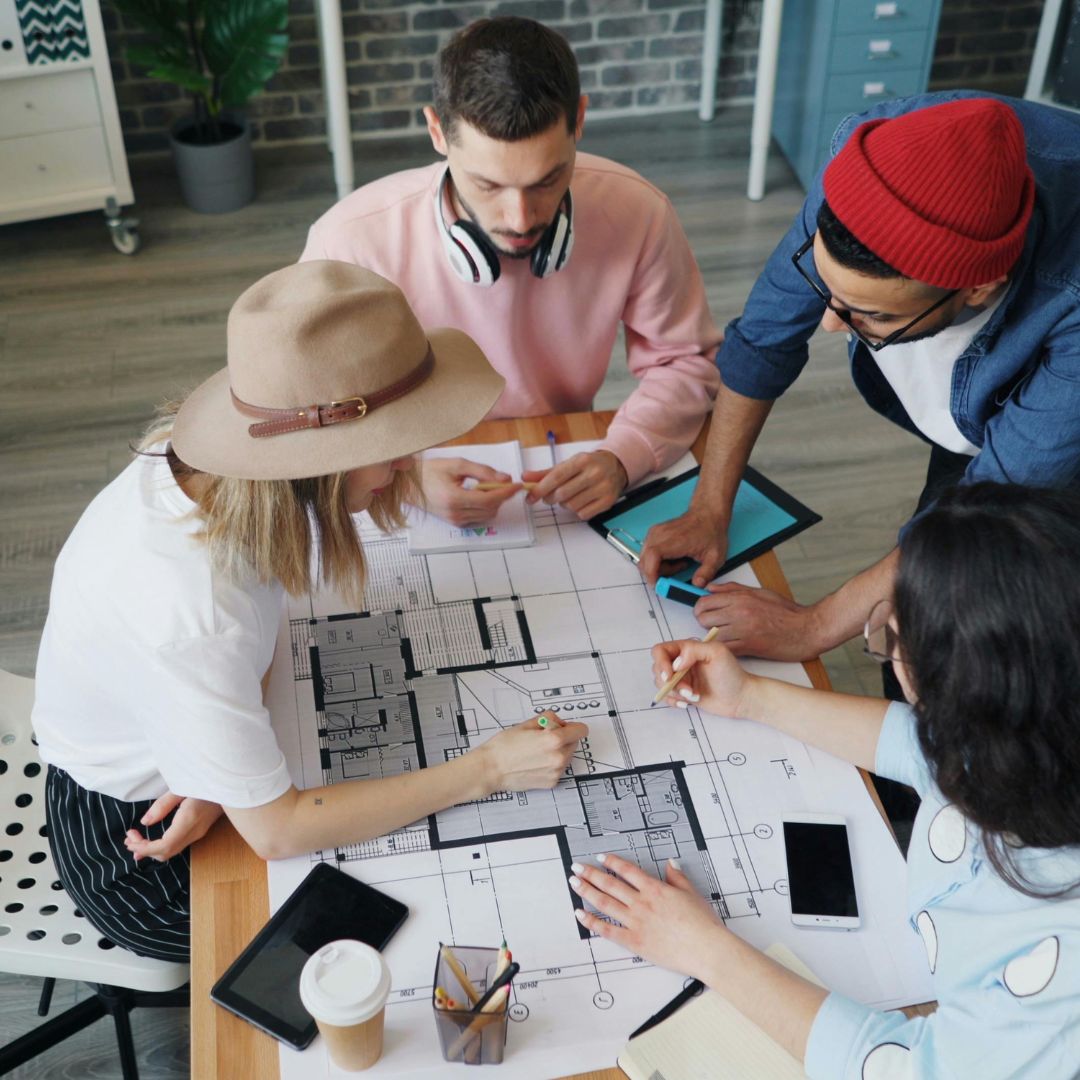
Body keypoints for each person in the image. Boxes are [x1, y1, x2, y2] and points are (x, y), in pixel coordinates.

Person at [31, 261, 588, 961]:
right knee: (403, 935)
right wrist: (490, 770)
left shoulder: (201, 464)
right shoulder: (193, 610)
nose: (406, 462)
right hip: (136, 846)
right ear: (322, 466)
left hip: (187, 764)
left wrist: (214, 767)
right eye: (393, 450)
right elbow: (279, 830)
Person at [575, 482, 1080, 1077]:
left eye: (896, 633)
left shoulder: (1056, 950)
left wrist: (702, 949)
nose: (887, 636)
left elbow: (911, 1070)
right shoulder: (1036, 731)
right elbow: (913, 745)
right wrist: (749, 697)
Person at [639, 92, 1080, 663]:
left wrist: (812, 628)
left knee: (965, 642)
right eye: (831, 290)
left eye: (873, 314)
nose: (830, 323)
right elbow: (764, 339)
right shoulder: (872, 162)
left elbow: (985, 510)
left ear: (979, 286)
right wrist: (708, 507)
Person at [300, 16, 720, 527]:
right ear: (437, 132)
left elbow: (686, 363)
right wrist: (402, 477)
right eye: (488, 184)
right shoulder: (348, 239)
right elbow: (311, 409)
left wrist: (623, 456)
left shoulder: (640, 211)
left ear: (579, 120)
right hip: (396, 471)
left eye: (548, 180)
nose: (520, 220)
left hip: (556, 450)